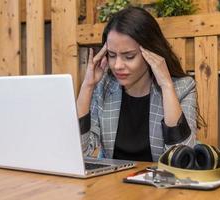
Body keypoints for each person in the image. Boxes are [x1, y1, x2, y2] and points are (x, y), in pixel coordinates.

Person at [77, 6, 197, 162]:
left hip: (159, 185)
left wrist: (167, 87)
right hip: (112, 184)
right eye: (112, 55)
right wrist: (87, 86)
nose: (118, 65)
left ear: (150, 53)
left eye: (129, 56)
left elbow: (182, 160)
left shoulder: (183, 88)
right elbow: (80, 151)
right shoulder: (104, 86)